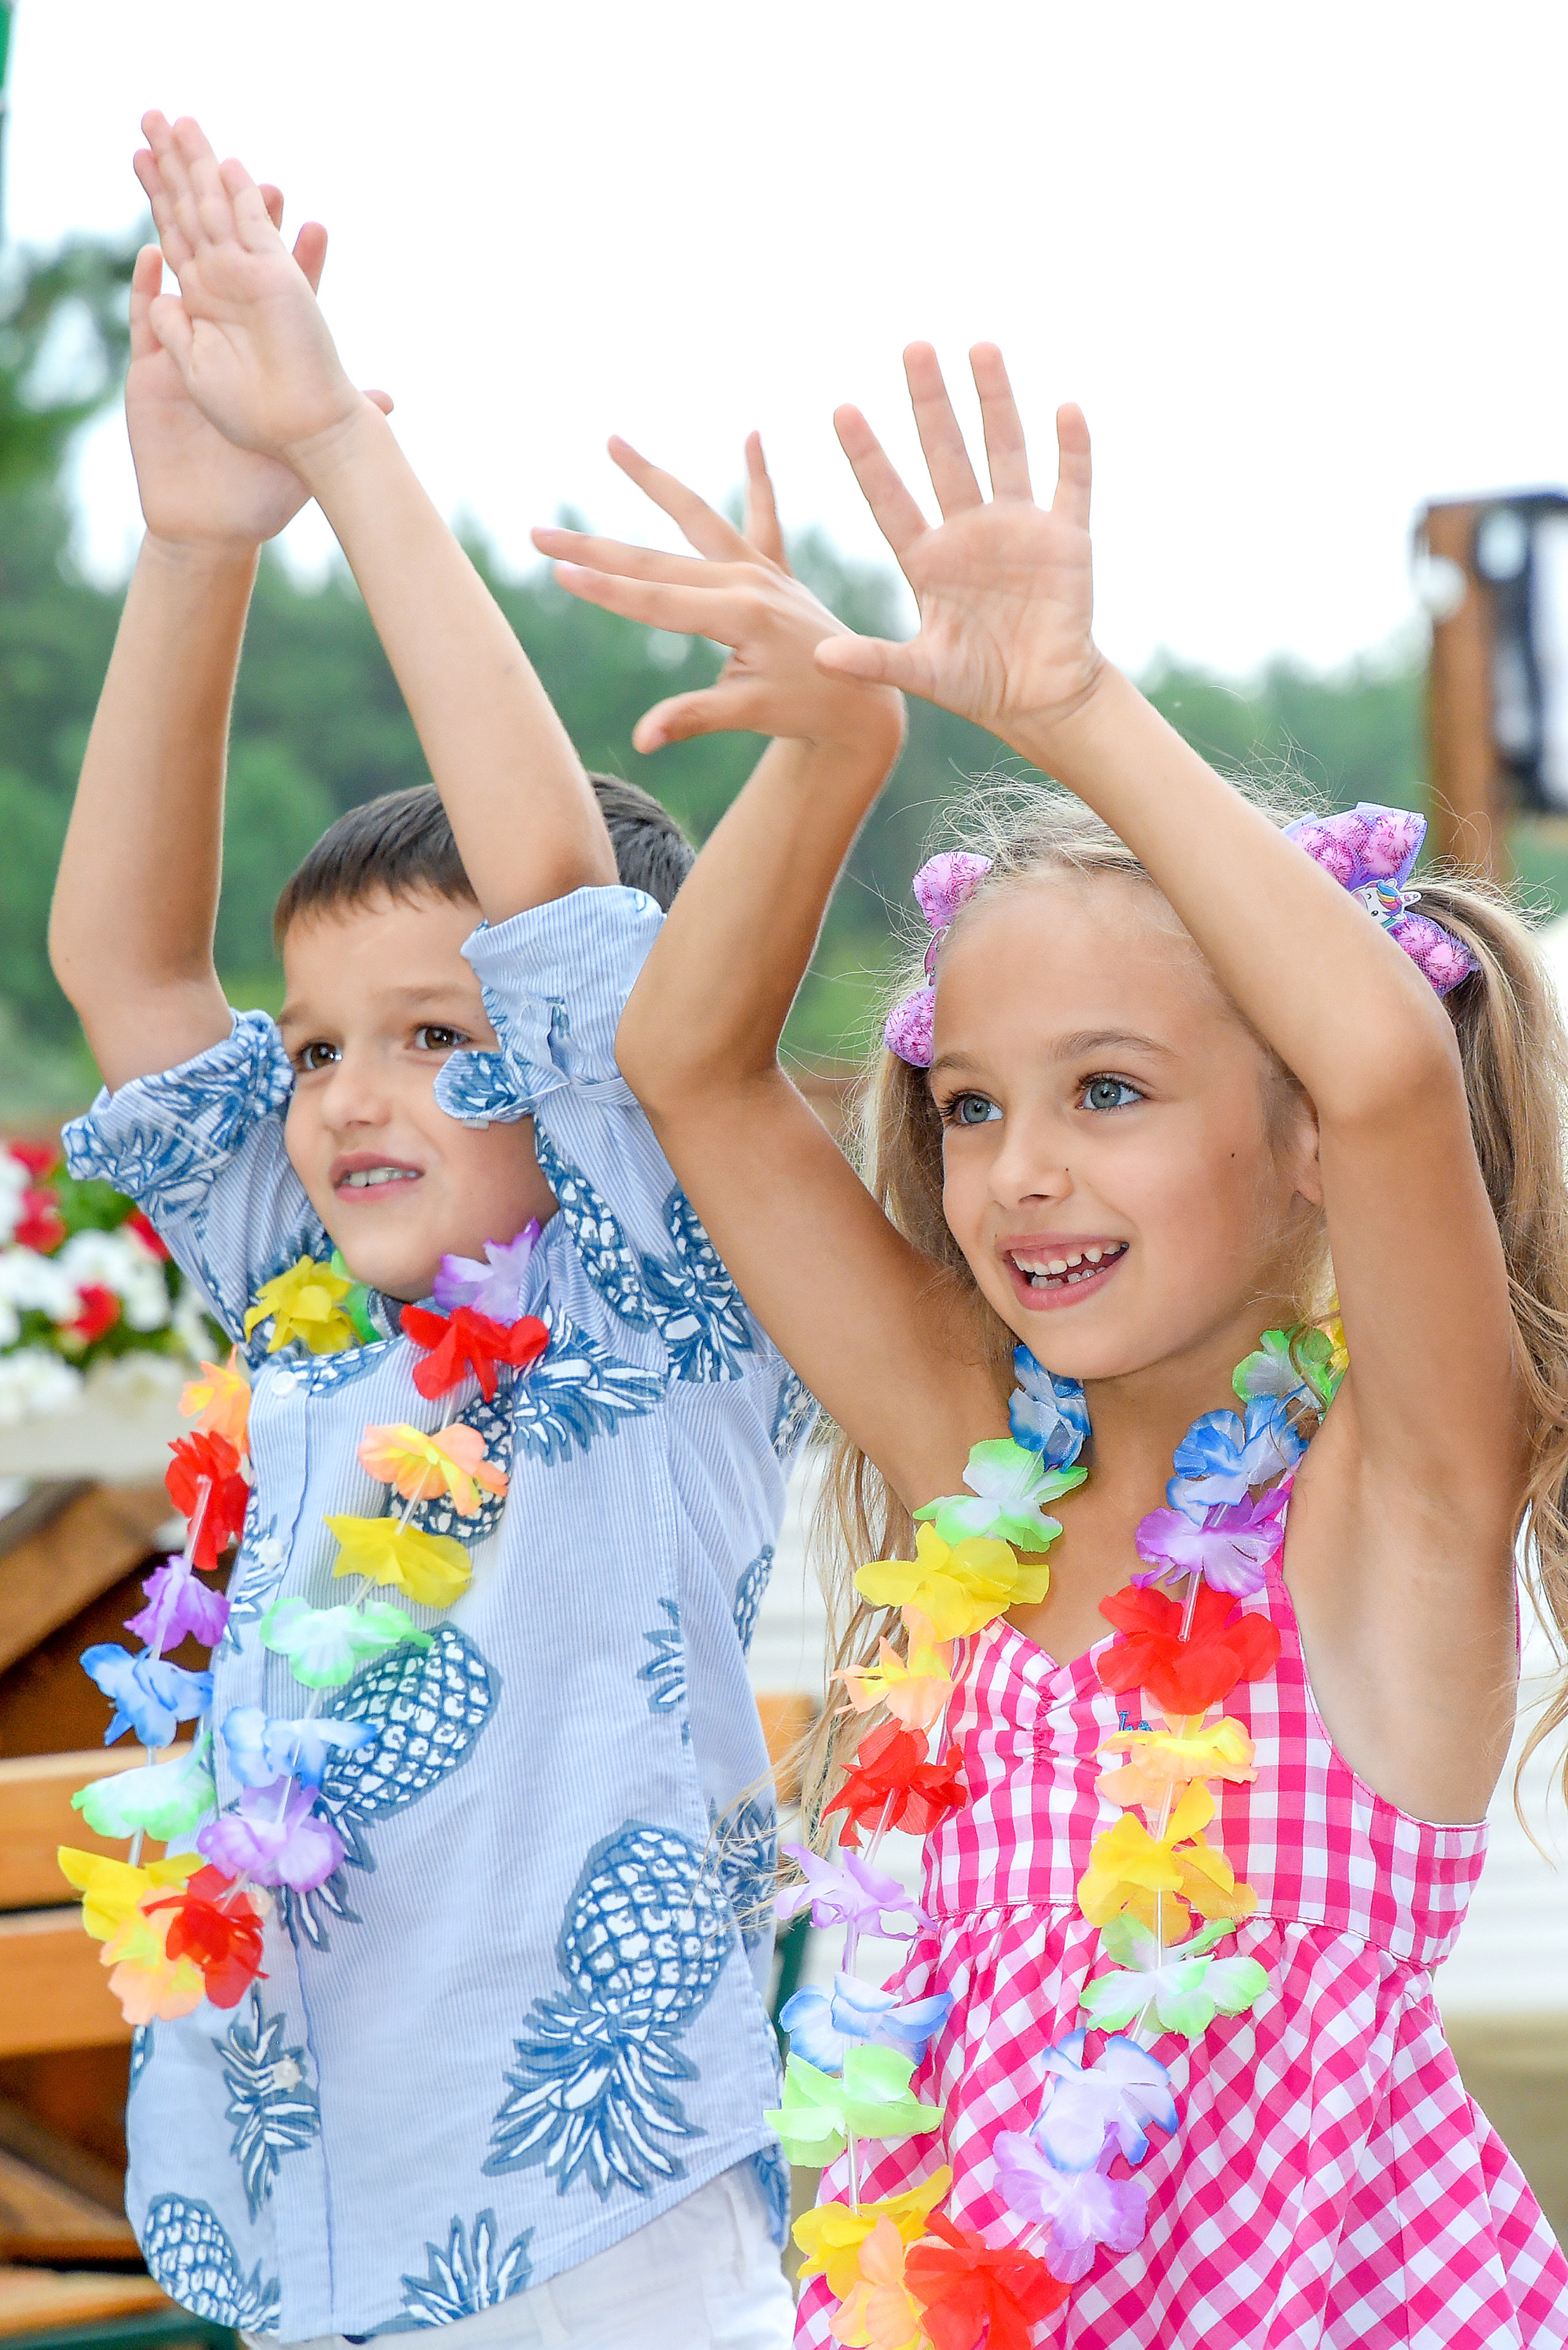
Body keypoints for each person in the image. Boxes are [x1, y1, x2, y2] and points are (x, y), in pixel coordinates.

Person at [538, 347, 1568, 2345]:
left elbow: (1380, 1071)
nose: (1017, 1174)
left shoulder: (1399, 1507)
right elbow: (691, 1066)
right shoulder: (971, 1473)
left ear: (1294, 1154)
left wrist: (1074, 709)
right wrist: (831, 760)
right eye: (976, 1102)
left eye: (1111, 1093)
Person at [47, 113, 896, 2350]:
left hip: (589, 2226)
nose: (352, 1100)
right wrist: (195, 548)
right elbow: (135, 979)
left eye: (441, 1040)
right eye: (323, 1050)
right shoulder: (319, 1321)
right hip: (294, 2184)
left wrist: (337, 446)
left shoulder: (663, 1299)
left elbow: (558, 912)